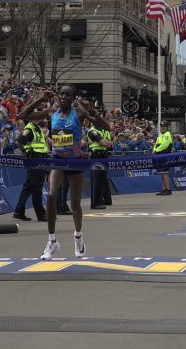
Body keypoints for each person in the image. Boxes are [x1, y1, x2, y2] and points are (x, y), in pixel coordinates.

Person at [20, 85, 110, 260]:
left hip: (75, 161)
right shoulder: (51, 112)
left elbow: (106, 126)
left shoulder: (78, 113)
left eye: (67, 95)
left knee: (75, 204)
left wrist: (92, 112)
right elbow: (22, 116)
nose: (63, 97)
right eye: (61, 94)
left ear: (73, 97)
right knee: (52, 194)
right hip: (58, 160)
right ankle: (52, 241)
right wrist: (40, 99)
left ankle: (78, 236)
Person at [12, 117, 49, 222]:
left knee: (28, 186)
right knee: (37, 187)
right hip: (34, 159)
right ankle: (41, 214)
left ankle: (19, 211)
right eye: (38, 116)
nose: (40, 118)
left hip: (40, 159)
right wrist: (26, 153)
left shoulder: (36, 128)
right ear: (32, 118)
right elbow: (19, 142)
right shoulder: (29, 129)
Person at [88, 122, 113, 209]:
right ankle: (95, 203)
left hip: (104, 155)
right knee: (96, 180)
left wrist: (108, 143)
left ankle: (103, 200)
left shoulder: (104, 131)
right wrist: (107, 143)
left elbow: (110, 144)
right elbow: (103, 143)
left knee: (103, 179)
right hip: (96, 156)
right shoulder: (93, 131)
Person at [153, 123, 174, 195]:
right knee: (162, 173)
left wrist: (156, 150)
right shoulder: (160, 136)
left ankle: (168, 189)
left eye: (164, 126)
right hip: (159, 155)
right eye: (162, 127)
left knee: (165, 173)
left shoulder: (167, 134)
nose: (163, 128)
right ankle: (164, 189)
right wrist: (154, 150)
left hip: (165, 155)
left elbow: (165, 145)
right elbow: (156, 144)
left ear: (167, 127)